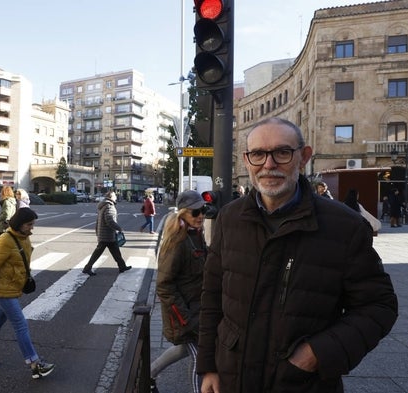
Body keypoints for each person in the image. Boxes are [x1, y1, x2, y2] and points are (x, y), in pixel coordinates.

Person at [197, 117, 398, 393]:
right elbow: (212, 296)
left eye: (282, 152)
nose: (268, 164)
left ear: (303, 157)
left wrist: (318, 352)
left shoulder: (344, 226)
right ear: (246, 160)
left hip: (303, 384)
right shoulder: (230, 218)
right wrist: (208, 365)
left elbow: (379, 305)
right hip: (233, 378)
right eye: (258, 154)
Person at [0, 208, 55, 379]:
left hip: (12, 288)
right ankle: (35, 364)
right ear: (19, 224)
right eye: (29, 224)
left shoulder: (23, 237)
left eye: (33, 224)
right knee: (20, 324)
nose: (32, 228)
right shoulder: (5, 241)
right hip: (3, 290)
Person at [151, 190, 207, 393]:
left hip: (198, 310)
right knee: (201, 358)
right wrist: (185, 318)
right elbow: (164, 285)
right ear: (182, 214)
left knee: (187, 350)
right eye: (195, 212)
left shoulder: (196, 236)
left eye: (203, 210)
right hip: (186, 315)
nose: (201, 215)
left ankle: (148, 374)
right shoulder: (178, 242)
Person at [82, 190, 132, 276]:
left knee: (116, 251)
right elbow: (110, 221)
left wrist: (98, 231)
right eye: (115, 196)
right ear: (111, 197)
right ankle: (87, 268)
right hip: (107, 235)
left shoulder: (104, 205)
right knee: (98, 253)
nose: (116, 197)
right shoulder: (109, 206)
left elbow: (99, 221)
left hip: (106, 234)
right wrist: (119, 228)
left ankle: (122, 266)